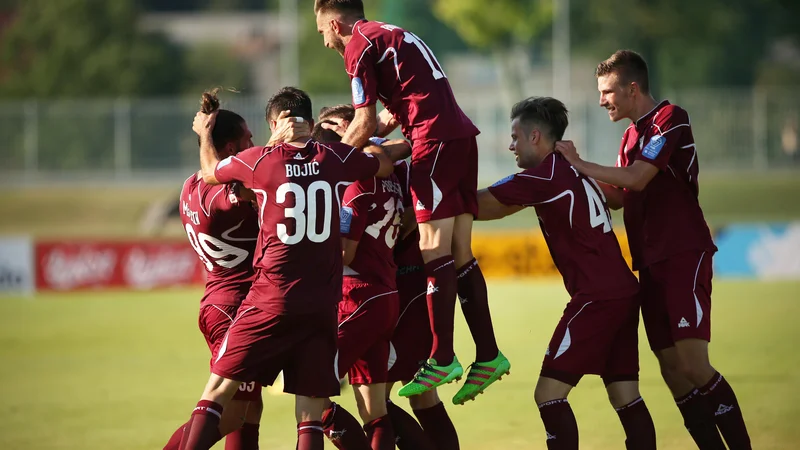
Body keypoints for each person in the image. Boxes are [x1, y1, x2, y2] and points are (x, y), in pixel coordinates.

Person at [176, 86, 397, 450]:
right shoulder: (335, 157)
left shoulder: (260, 159)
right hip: (322, 305)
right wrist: (385, 139)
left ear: (274, 125)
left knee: (217, 394)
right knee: (309, 416)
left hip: (268, 300)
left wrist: (204, 135)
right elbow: (382, 164)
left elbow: (212, 172)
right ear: (311, 124)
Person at [314, 0, 509, 404]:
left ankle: (442, 356)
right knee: (458, 253)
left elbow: (365, 121)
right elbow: (393, 111)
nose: (325, 43)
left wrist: (325, 168)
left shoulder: (357, 45)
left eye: (322, 33)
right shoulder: (390, 33)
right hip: (458, 139)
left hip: (433, 142)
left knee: (431, 248)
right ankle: (487, 355)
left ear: (334, 22)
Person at [555, 50, 751, 450]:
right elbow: (619, 196)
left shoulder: (669, 117)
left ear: (632, 88)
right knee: (673, 372)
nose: (601, 100)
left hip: (682, 255)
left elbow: (638, 178)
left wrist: (580, 163)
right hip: (649, 265)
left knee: (694, 366)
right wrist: (565, 172)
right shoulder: (630, 136)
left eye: (607, 92)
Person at [478, 96, 657, 449]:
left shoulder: (543, 175)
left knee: (548, 395)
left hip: (597, 298)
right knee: (625, 396)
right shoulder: (572, 168)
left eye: (515, 137)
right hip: (622, 292)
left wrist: (429, 202)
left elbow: (484, 206)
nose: (510, 144)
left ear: (534, 138)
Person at [314, 108, 460, 450]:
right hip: (387, 290)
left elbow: (346, 252)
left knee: (311, 390)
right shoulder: (386, 174)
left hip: (373, 291)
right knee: (382, 406)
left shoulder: (357, 181)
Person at [164, 90, 264, 450]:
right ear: (228, 147)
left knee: (249, 409)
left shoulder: (190, 186)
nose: (255, 144)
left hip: (218, 300)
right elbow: (243, 193)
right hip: (236, 307)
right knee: (231, 412)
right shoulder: (226, 196)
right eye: (248, 140)